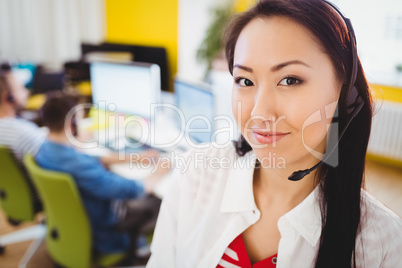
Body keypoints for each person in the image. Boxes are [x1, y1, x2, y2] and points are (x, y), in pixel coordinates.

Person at [147, 0, 402, 267]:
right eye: (245, 81)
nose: (259, 112)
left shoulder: (384, 247)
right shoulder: (198, 174)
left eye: (290, 80)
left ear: (345, 93)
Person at [35, 92, 169, 256]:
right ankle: (142, 247)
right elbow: (132, 189)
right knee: (161, 200)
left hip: (78, 220)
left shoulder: (45, 149)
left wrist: (135, 158)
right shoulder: (79, 165)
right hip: (106, 231)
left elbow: (88, 160)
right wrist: (159, 172)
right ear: (72, 124)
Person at [0, 62, 47, 212]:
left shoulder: (20, 131)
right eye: (21, 88)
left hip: (12, 195)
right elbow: (55, 159)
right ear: (9, 97)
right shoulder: (22, 133)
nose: (27, 92)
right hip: (42, 196)